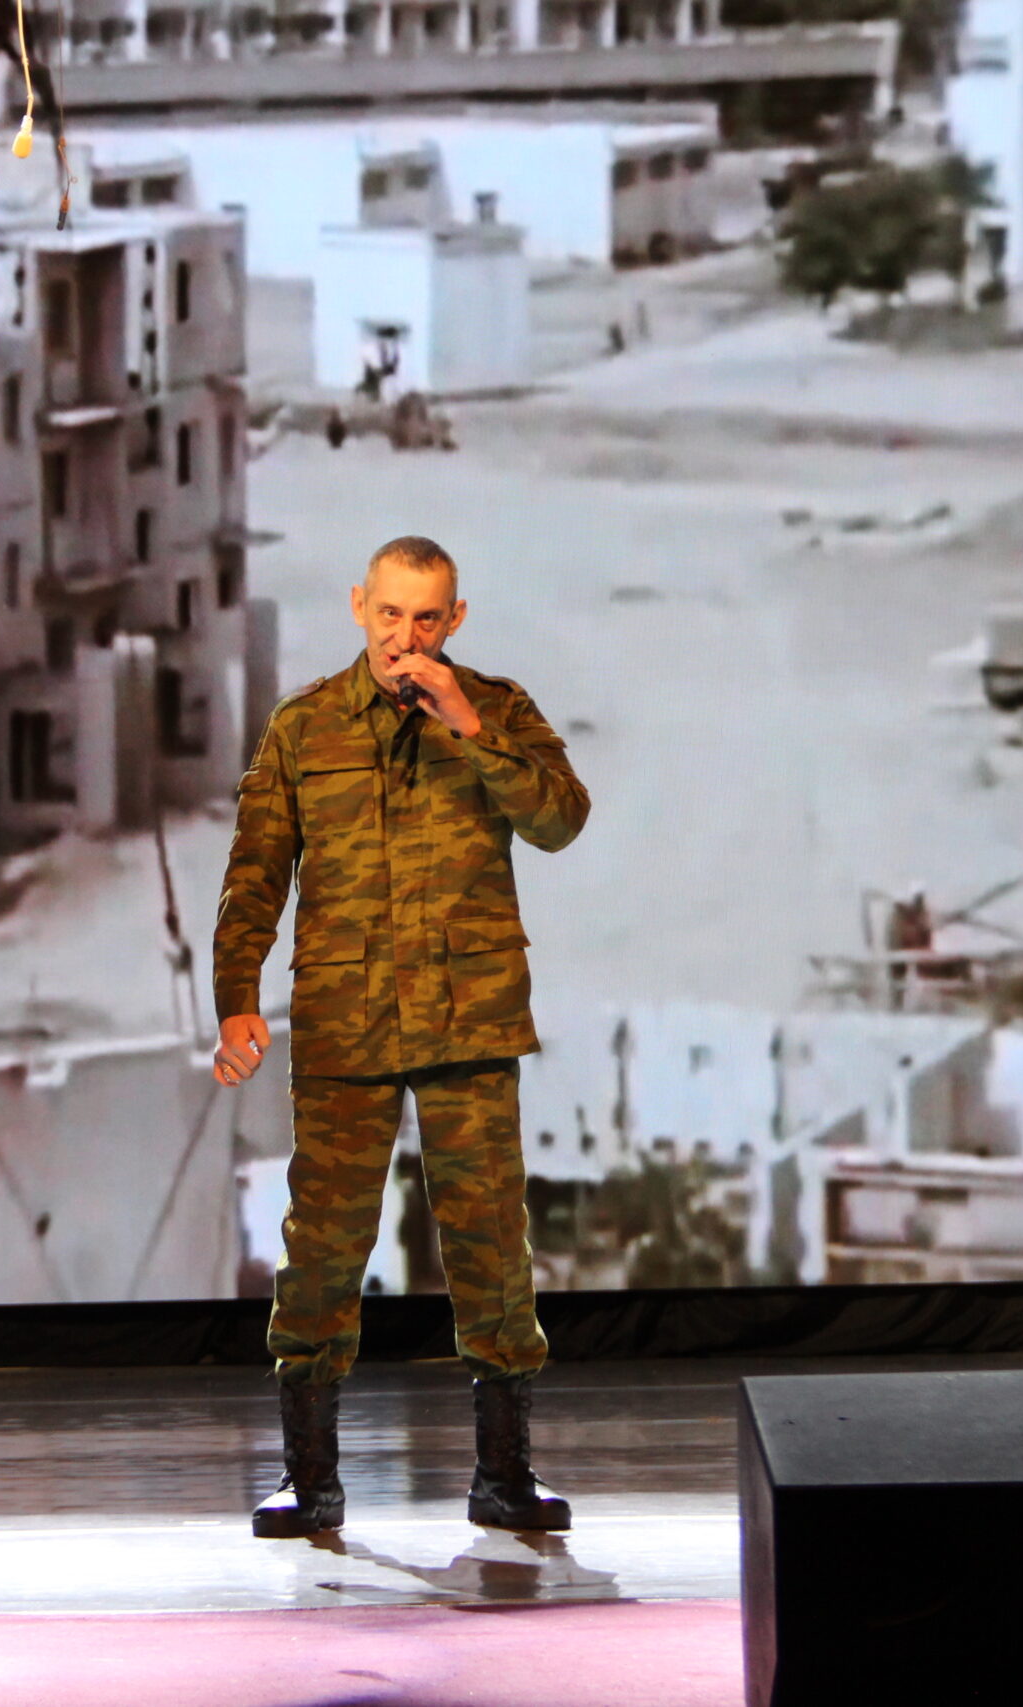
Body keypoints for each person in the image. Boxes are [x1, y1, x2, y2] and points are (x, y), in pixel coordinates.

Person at [212, 535, 590, 1540]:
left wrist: (468, 725)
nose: (404, 636)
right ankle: (309, 1477)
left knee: (490, 1243)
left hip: (469, 1017)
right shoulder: (304, 727)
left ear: (453, 620)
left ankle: (504, 1474)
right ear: (358, 607)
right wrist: (237, 996)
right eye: (389, 614)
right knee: (322, 1246)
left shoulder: (495, 709)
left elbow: (560, 821)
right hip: (347, 1021)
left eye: (426, 617)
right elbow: (256, 871)